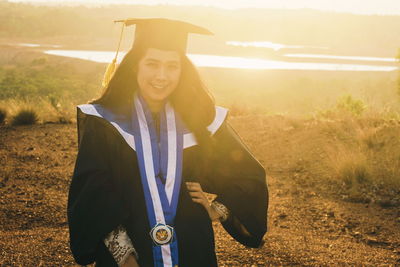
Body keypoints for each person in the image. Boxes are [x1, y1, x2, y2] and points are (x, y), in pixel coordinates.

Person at [67, 18, 269, 267]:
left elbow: (249, 175)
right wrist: (123, 255)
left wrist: (216, 209)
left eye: (172, 66)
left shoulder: (203, 120)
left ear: (182, 70)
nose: (162, 76)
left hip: (192, 248)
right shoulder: (106, 122)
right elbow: (93, 195)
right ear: (134, 67)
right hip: (130, 253)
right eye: (152, 64)